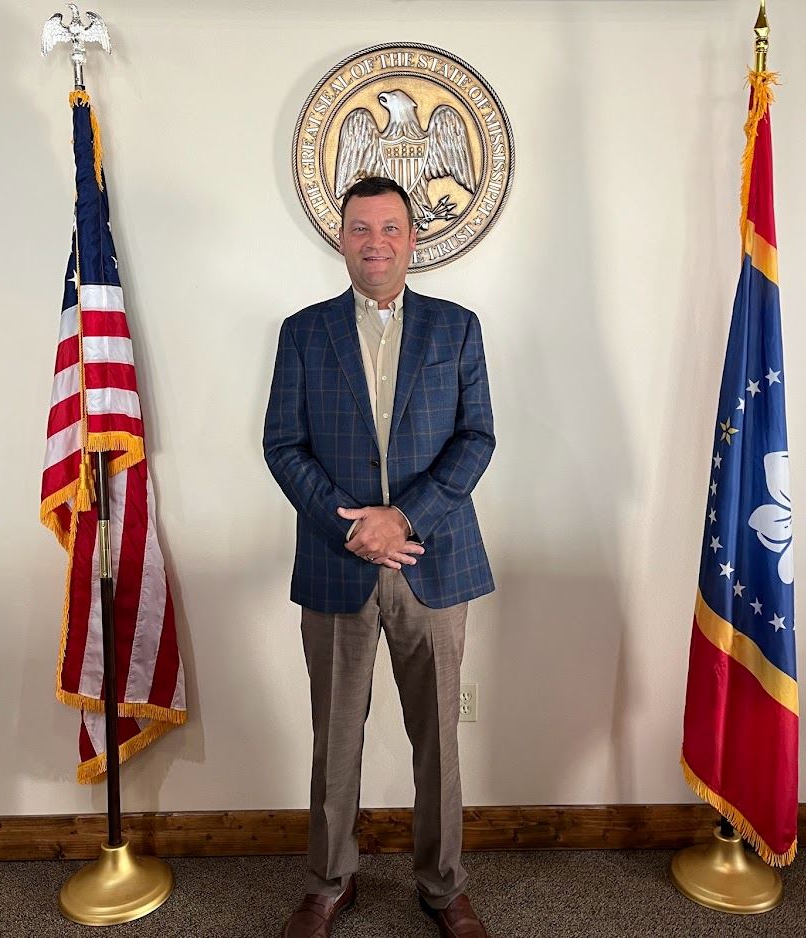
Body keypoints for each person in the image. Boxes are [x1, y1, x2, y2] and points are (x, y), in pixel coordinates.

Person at [264, 176, 495, 938]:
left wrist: (403, 517)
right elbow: (283, 445)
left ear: (412, 237)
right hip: (338, 566)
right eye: (360, 228)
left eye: (389, 228)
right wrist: (352, 529)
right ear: (341, 239)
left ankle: (442, 884)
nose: (375, 242)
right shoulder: (302, 331)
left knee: (440, 739)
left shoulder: (457, 329)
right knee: (335, 737)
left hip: (436, 566)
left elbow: (476, 438)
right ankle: (330, 883)